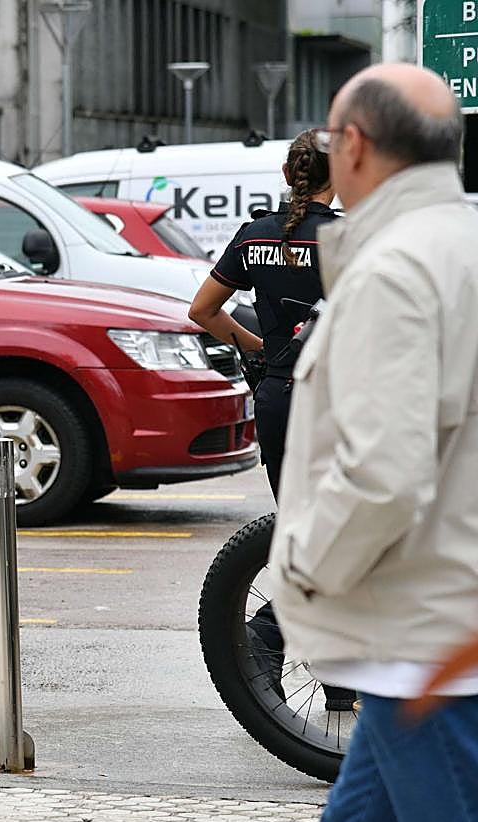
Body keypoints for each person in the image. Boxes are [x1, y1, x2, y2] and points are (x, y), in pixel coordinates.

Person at [268, 64, 478, 822]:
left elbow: (382, 476)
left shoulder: (394, 271)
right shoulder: (465, 245)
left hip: (423, 637)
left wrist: (300, 570)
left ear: (352, 144)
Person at [188, 131, 353, 712]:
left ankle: (336, 678)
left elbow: (202, 310)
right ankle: (266, 633)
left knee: (304, 529)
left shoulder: (255, 233)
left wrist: (262, 351)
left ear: (289, 174)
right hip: (333, 400)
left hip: (279, 399)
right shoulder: (342, 239)